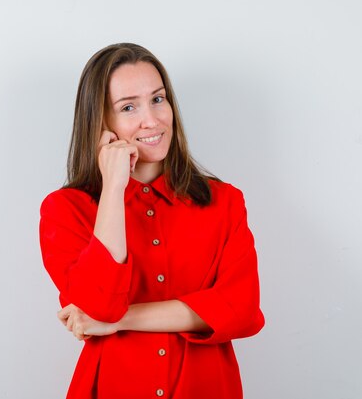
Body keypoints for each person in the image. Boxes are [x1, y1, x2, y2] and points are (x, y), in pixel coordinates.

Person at [38, 43, 265, 399]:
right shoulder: (65, 209)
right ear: (101, 123)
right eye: (128, 107)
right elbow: (100, 305)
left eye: (158, 99)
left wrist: (120, 321)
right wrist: (113, 188)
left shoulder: (225, 202)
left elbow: (241, 311)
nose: (152, 119)